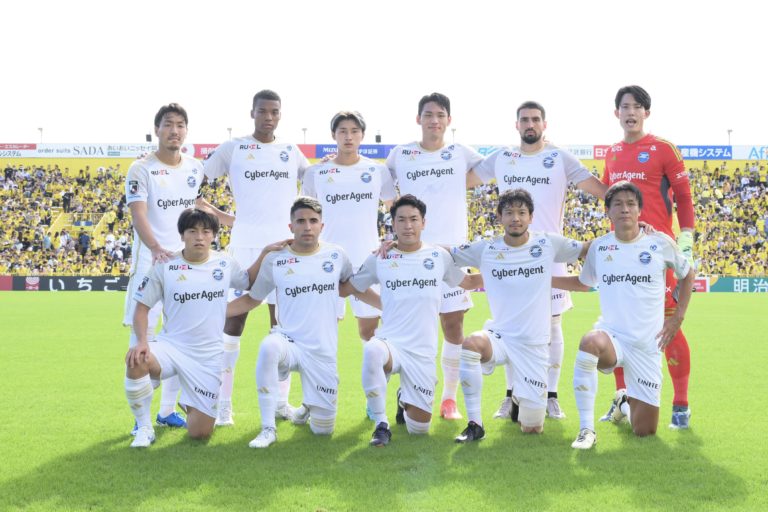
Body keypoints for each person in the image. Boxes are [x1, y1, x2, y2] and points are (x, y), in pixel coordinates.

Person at [475, 101, 607, 421]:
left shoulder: (560, 158)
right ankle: (511, 396)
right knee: (510, 325)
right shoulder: (502, 157)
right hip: (510, 255)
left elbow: (602, 191)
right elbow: (459, 179)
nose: (530, 124)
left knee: (553, 325)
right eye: (525, 119)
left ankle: (550, 395)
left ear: (545, 124)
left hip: (550, 254)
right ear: (516, 125)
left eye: (535, 119)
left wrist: (638, 214)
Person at [225, 197, 379, 448]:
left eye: (313, 221)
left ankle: (309, 405)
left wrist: (387, 306)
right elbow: (252, 299)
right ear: (291, 226)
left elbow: (352, 288)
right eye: (301, 221)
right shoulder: (276, 259)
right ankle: (268, 429)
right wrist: (212, 313)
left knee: (323, 431)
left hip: (322, 352)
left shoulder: (336, 255)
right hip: (289, 343)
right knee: (269, 347)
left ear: (321, 226)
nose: (307, 226)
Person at [554, 181, 694, 449]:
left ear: (640, 210)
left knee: (645, 430)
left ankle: (623, 403)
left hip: (647, 346)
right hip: (613, 339)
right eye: (617, 204)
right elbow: (583, 283)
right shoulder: (600, 246)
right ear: (607, 211)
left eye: (631, 204)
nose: (625, 209)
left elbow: (688, 274)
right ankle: (587, 430)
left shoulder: (659, 243)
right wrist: (546, 282)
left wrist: (678, 316)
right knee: (590, 342)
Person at [200, 90, 310, 426]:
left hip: (284, 249)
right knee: (232, 325)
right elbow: (194, 180)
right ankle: (222, 405)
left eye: (274, 111)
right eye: (263, 111)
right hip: (245, 247)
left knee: (282, 327)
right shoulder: (233, 148)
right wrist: (220, 216)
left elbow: (316, 184)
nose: (269, 117)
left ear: (280, 115)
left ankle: (280, 403)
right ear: (252, 113)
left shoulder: (291, 152)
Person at [449, 189, 587, 442]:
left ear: (531, 217)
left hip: (533, 345)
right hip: (501, 337)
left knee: (532, 428)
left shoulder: (547, 243)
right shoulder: (486, 248)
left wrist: (637, 231)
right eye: (509, 212)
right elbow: (445, 253)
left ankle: (519, 398)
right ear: (499, 217)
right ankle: (475, 424)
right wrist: (402, 244)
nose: (516, 218)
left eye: (522, 212)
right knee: (470, 345)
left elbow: (588, 249)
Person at [350, 195, 480, 446]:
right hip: (391, 344)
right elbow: (353, 286)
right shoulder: (381, 257)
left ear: (423, 223)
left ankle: (404, 398)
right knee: (372, 350)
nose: (408, 225)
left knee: (419, 430)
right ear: (393, 224)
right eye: (401, 220)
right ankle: (381, 425)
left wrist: (504, 270)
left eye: (413, 219)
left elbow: (468, 282)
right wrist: (383, 304)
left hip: (422, 352)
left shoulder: (438, 256)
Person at [600, 85, 696, 429]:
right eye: (625, 106)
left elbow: (684, 196)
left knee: (668, 324)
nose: (631, 112)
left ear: (646, 113)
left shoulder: (663, 148)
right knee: (618, 325)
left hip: (657, 253)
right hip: (621, 252)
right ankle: (623, 399)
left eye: (637, 107)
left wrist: (686, 237)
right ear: (617, 113)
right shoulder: (612, 153)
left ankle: (681, 404)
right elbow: (607, 197)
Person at [385, 92, 484, 420]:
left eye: (440, 115)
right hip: (412, 255)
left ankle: (449, 399)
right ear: (419, 119)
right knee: (412, 327)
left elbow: (493, 168)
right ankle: (407, 392)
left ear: (449, 120)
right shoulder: (401, 154)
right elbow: (379, 185)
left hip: (452, 255)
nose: (434, 120)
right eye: (428, 114)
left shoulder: (461, 153)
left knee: (453, 326)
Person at [125, 209, 253, 448]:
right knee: (136, 359)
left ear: (214, 235)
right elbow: (141, 308)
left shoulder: (225, 263)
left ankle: (189, 401)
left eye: (206, 231)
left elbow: (249, 283)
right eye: (192, 231)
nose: (199, 237)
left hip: (207, 356)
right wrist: (142, 341)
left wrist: (266, 253)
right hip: (171, 346)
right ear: (182, 235)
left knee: (200, 434)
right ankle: (143, 428)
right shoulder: (165, 265)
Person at [123, 103, 203, 433]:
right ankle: (140, 419)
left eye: (180, 125)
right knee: (142, 337)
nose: (175, 130)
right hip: (151, 261)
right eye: (168, 124)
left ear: (187, 131)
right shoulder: (141, 169)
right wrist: (156, 248)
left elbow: (197, 207)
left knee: (182, 338)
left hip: (185, 263)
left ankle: (167, 411)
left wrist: (231, 222)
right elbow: (138, 213)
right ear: (157, 129)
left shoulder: (195, 167)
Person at [302, 111, 395, 343]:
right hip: (326, 260)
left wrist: (392, 239)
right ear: (333, 135)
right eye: (342, 131)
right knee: (323, 332)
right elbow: (304, 213)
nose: (348, 136)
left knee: (369, 332)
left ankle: (376, 368)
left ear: (362, 135)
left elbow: (394, 208)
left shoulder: (377, 171)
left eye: (354, 131)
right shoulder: (316, 172)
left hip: (367, 258)